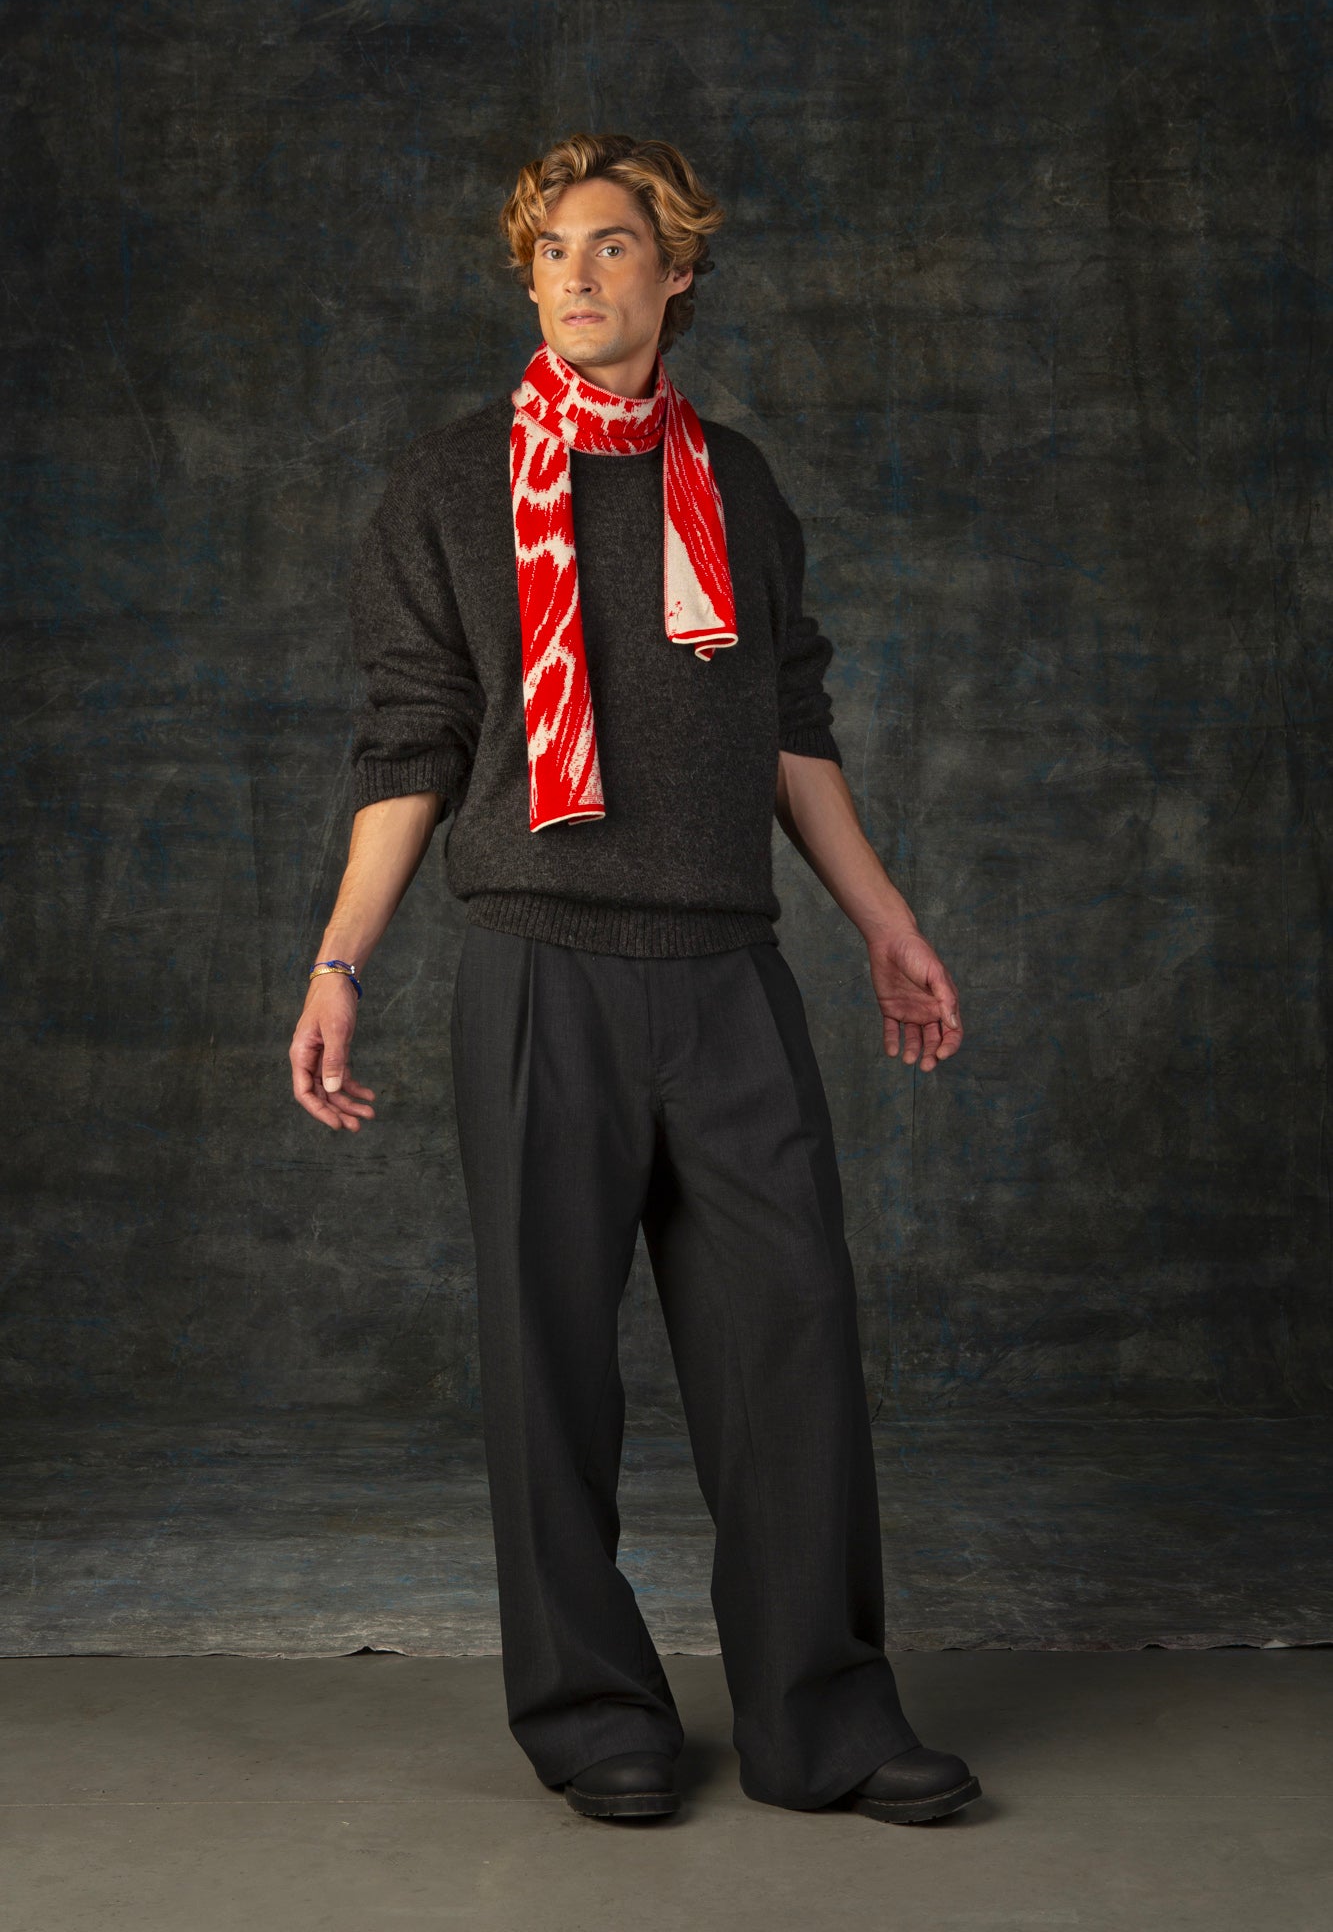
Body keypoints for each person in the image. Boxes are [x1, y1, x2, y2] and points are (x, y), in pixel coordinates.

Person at [289, 132, 977, 1828]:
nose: (581, 276)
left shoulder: (734, 485)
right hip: (539, 969)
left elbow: (786, 729)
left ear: (677, 275)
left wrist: (885, 923)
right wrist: (338, 963)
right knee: (553, 1366)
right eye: (553, 254)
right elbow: (413, 745)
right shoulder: (448, 490)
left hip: (725, 969)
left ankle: (823, 1716)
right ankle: (594, 1712)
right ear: (526, 281)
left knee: (793, 1341)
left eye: (616, 248)